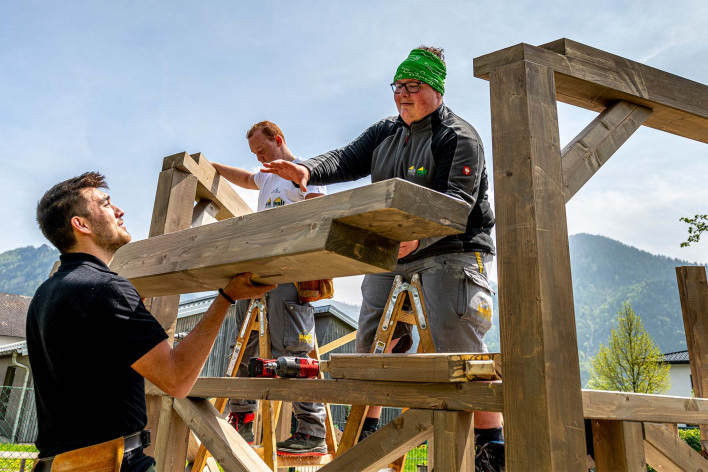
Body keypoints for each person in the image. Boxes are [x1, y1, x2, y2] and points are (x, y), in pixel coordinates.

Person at [261, 46, 505, 469]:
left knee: (459, 352)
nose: (403, 95)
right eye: (398, 86)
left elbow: (457, 203)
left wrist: (418, 236)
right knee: (371, 344)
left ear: (436, 89)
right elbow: (345, 158)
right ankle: (368, 434)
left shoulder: (458, 137)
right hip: (392, 253)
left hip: (452, 252)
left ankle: (490, 447)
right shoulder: (385, 132)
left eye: (413, 86)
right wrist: (306, 170)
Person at [27, 172, 275, 472]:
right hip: (111, 464)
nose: (119, 211)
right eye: (106, 204)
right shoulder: (107, 289)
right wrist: (226, 298)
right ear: (81, 225)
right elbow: (176, 379)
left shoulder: (45, 293)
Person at [211, 121, 329, 457]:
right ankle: (243, 420)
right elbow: (247, 179)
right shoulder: (265, 176)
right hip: (259, 273)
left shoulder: (305, 172)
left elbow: (319, 214)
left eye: (262, 150)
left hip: (290, 272)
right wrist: (211, 166)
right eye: (254, 154)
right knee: (245, 345)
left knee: (292, 349)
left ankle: (311, 431)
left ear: (278, 140)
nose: (259, 159)